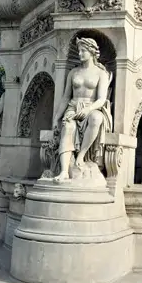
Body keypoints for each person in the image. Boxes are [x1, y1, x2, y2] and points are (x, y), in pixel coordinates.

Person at [52, 37, 113, 182]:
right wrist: (56, 118)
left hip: (92, 106)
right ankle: (64, 171)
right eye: (79, 50)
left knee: (96, 118)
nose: (79, 53)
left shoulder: (101, 73)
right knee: (67, 127)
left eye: (83, 50)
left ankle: (81, 156)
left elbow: (101, 99)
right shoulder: (73, 72)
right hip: (73, 107)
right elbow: (66, 97)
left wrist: (88, 109)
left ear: (91, 52)